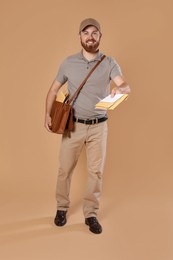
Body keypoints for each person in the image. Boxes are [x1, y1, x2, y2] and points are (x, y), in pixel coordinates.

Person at [44, 18, 131, 234]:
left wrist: (119, 90)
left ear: (100, 36)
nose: (90, 36)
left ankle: (91, 213)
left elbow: (125, 85)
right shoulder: (68, 62)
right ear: (80, 37)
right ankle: (61, 208)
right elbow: (54, 89)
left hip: (99, 127)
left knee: (96, 172)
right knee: (64, 170)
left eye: (94, 32)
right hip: (72, 126)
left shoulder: (109, 62)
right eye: (86, 33)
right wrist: (47, 113)